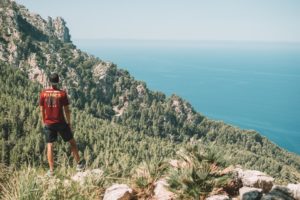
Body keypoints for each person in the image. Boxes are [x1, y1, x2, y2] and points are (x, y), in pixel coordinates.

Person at [40, 73, 84, 176]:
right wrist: (69, 123)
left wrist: (44, 121)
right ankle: (79, 164)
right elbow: (67, 110)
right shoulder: (62, 94)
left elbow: (42, 110)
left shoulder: (43, 93)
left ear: (49, 81)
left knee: (50, 145)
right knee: (72, 142)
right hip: (61, 123)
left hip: (49, 123)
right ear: (58, 81)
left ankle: (51, 171)